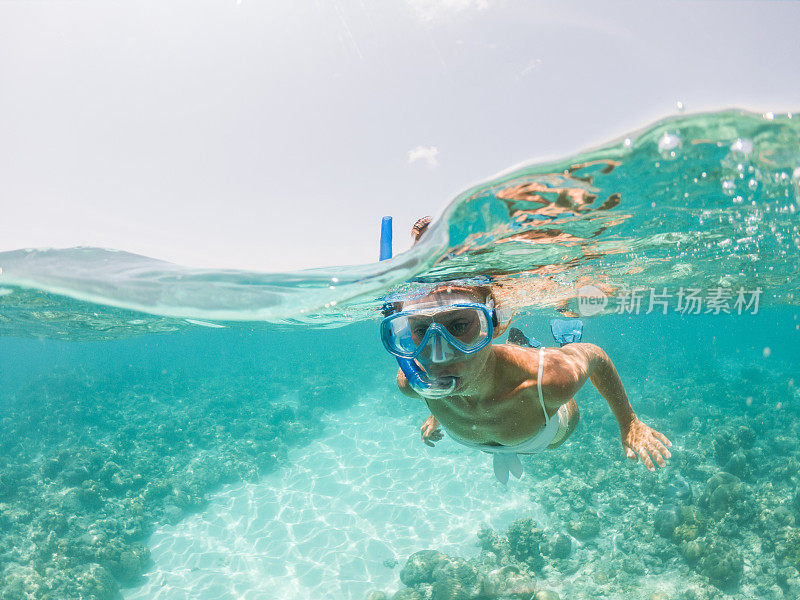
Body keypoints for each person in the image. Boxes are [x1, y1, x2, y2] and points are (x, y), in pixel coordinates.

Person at [380, 218, 672, 483]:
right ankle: (515, 344)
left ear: (495, 324)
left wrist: (629, 421)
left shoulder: (550, 382)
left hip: (546, 434)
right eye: (420, 330)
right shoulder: (414, 381)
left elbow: (595, 356)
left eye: (458, 327)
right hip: (491, 433)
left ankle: (564, 340)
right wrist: (435, 409)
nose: (438, 354)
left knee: (564, 359)